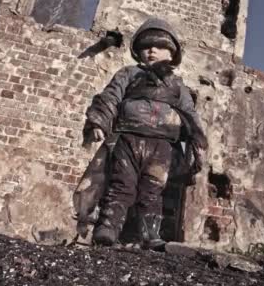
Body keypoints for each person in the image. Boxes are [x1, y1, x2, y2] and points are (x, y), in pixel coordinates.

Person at [81, 18, 207, 249]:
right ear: (138, 51)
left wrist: (196, 144)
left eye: (159, 46)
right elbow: (111, 97)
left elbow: (190, 115)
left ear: (171, 53)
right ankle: (107, 229)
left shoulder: (178, 86)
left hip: (162, 147)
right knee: (121, 184)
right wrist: (99, 122)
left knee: (153, 190)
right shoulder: (128, 74)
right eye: (146, 46)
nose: (151, 50)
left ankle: (149, 236)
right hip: (128, 138)